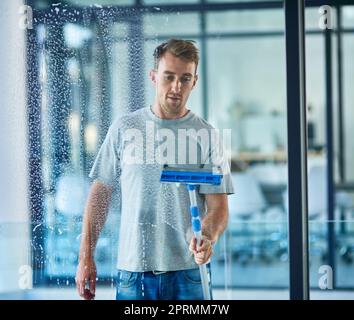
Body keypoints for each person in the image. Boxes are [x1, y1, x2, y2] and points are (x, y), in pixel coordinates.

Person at [76, 39, 234, 300]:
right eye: (168, 76)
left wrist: (207, 235)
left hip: (188, 271)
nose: (176, 87)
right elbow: (100, 194)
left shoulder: (206, 135)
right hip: (133, 272)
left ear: (194, 81)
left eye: (185, 78)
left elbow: (219, 209)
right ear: (153, 76)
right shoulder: (125, 128)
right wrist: (85, 256)